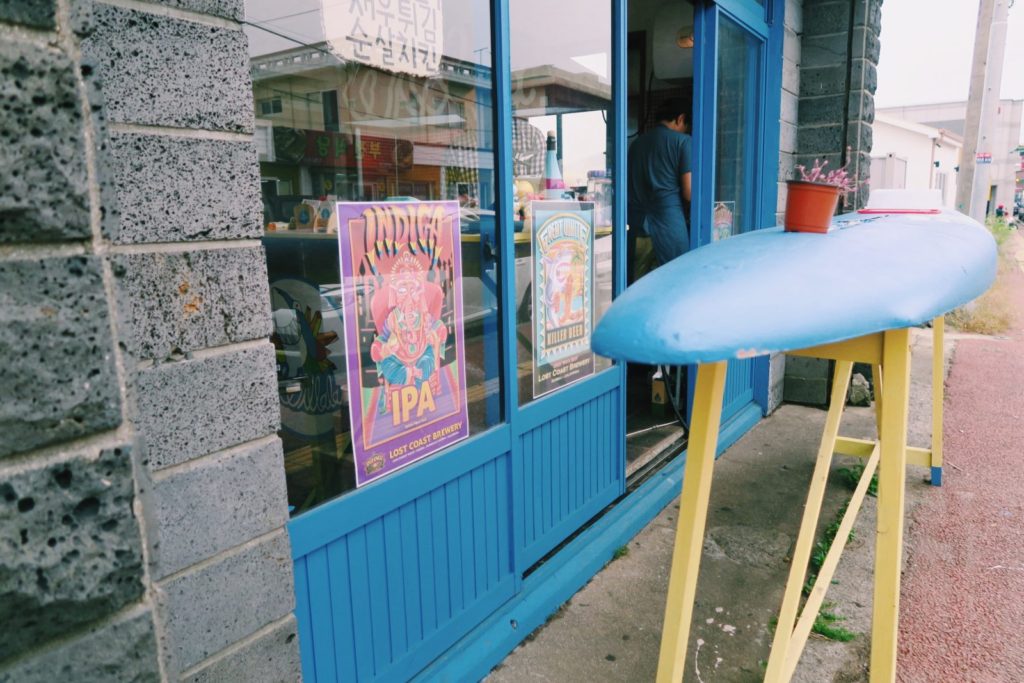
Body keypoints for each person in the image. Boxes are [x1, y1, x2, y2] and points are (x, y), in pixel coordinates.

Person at [627, 97, 693, 275]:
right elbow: (689, 192)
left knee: (637, 287)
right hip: (669, 227)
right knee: (674, 285)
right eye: (685, 125)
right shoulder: (683, 141)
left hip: (638, 228)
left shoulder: (635, 145)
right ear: (680, 119)